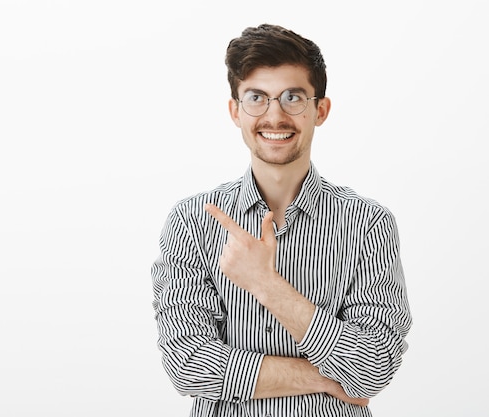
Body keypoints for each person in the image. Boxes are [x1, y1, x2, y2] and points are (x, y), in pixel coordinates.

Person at [150, 23, 412, 417]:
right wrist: (324, 378)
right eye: (257, 97)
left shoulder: (367, 223)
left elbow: (373, 367)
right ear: (235, 110)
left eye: (293, 97)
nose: (275, 116)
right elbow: (188, 366)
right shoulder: (191, 222)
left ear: (319, 110)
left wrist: (265, 285)